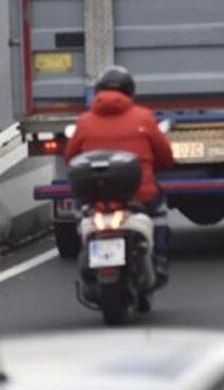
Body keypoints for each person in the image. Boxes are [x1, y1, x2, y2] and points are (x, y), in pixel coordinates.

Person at [64, 66, 176, 287]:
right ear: (130, 92)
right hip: (138, 195)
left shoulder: (84, 121)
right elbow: (164, 156)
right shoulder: (144, 117)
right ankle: (160, 258)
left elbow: (70, 158)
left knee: (80, 216)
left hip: (92, 196)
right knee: (159, 212)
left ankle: (85, 249)